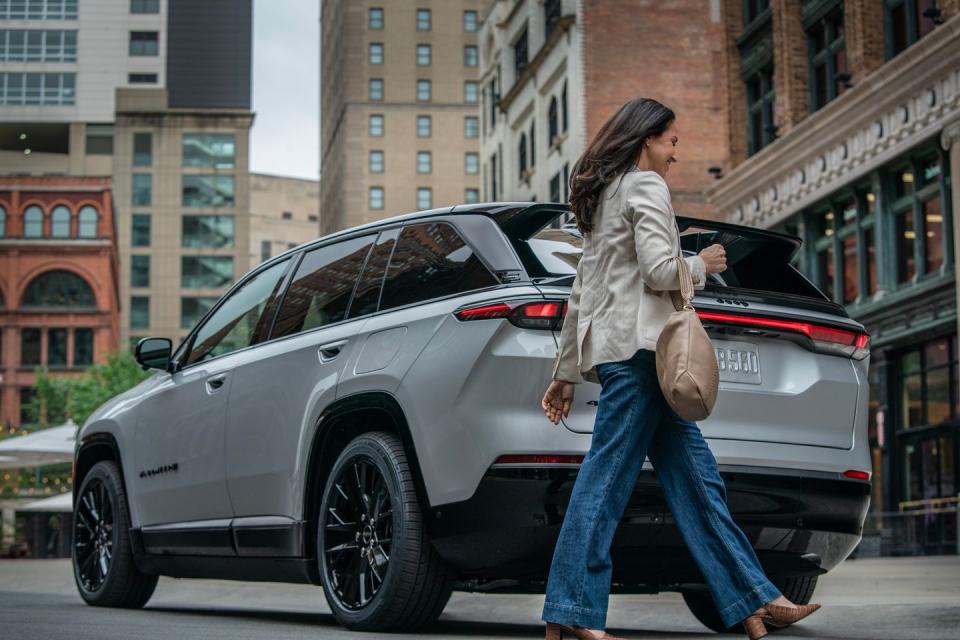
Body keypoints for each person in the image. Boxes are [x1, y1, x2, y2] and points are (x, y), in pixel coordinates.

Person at [538, 98, 821, 640]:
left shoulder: (604, 197)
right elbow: (661, 270)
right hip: (645, 355)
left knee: (698, 484)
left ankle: (753, 601)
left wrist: (566, 372)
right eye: (671, 141)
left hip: (627, 354)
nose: (675, 152)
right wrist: (704, 264)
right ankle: (571, 611)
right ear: (647, 139)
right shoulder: (645, 187)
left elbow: (584, 292)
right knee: (606, 481)